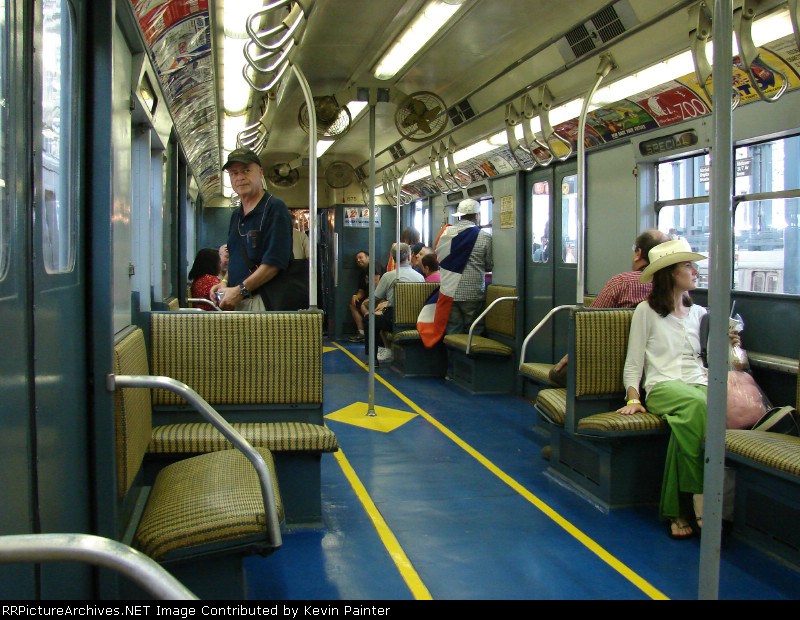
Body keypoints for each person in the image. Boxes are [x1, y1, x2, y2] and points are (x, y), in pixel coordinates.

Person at [617, 238, 729, 540]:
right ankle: (701, 497)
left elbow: (707, 361)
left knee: (688, 424)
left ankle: (675, 509)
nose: (695, 271)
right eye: (687, 266)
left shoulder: (700, 314)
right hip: (663, 386)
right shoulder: (646, 311)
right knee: (697, 406)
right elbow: (634, 361)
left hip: (698, 383)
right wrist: (633, 397)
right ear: (669, 273)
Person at [548, 229, 669, 387]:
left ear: (638, 253)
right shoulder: (675, 290)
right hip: (658, 366)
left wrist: (571, 354)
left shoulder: (622, 282)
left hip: (610, 366)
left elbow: (588, 322)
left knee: (555, 374)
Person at [213, 148, 292, 310]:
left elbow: (274, 263)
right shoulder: (236, 215)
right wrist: (224, 282)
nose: (240, 177)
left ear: (260, 172)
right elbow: (236, 258)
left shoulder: (274, 208)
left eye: (246, 170)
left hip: (263, 301)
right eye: (234, 173)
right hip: (238, 298)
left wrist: (240, 291)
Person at [435, 198, 493, 335]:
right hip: (473, 292)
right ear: (476, 216)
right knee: (474, 331)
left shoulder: (446, 233)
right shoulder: (484, 236)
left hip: (449, 289)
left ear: (460, 215)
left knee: (453, 330)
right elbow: (489, 264)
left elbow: (439, 258)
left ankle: (453, 350)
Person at [365, 242, 424, 364]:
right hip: (417, 317)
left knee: (369, 320)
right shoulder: (419, 277)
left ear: (393, 258)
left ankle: (373, 358)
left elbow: (375, 298)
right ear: (409, 256)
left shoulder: (388, 276)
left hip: (394, 318)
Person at [348, 250, 371, 342]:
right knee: (353, 304)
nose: (358, 260)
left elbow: (376, 283)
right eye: (357, 259)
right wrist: (356, 296)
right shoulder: (362, 274)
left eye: (361, 257)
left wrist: (370, 298)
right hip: (368, 297)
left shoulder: (374, 266)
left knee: (364, 305)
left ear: (368, 257)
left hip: (379, 297)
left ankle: (371, 333)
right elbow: (362, 290)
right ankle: (362, 333)